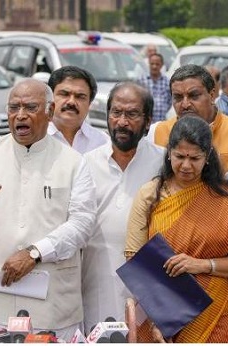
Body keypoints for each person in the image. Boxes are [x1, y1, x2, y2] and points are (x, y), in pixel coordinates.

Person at [0, 79, 96, 340]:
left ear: (49, 112)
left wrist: (35, 253)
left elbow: (82, 224)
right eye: (14, 107)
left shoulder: (73, 162)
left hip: (50, 307)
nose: (20, 115)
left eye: (30, 107)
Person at [125, 115, 228, 342]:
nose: (186, 165)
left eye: (195, 158)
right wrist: (161, 319)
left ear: (207, 157)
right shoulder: (152, 194)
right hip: (162, 313)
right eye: (179, 156)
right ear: (168, 153)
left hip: (219, 314)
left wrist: (203, 265)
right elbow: (135, 260)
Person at [82, 82, 164, 332]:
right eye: (116, 113)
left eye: (132, 114)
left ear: (148, 121)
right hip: (96, 282)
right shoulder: (86, 164)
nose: (122, 122)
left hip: (151, 287)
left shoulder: (165, 162)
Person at [149, 64, 228, 172]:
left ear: (212, 95)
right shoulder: (157, 132)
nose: (185, 104)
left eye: (194, 95)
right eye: (178, 97)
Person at [47, 66, 110, 154]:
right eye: (64, 94)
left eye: (80, 96)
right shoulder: (34, 138)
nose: (71, 102)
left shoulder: (102, 143)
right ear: (50, 98)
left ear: (89, 104)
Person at [138, 53, 172, 123]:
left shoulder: (167, 82)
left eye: (157, 64)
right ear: (149, 64)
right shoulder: (141, 81)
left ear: (162, 65)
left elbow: (170, 101)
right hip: (145, 122)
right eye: (152, 64)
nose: (154, 66)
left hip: (161, 121)